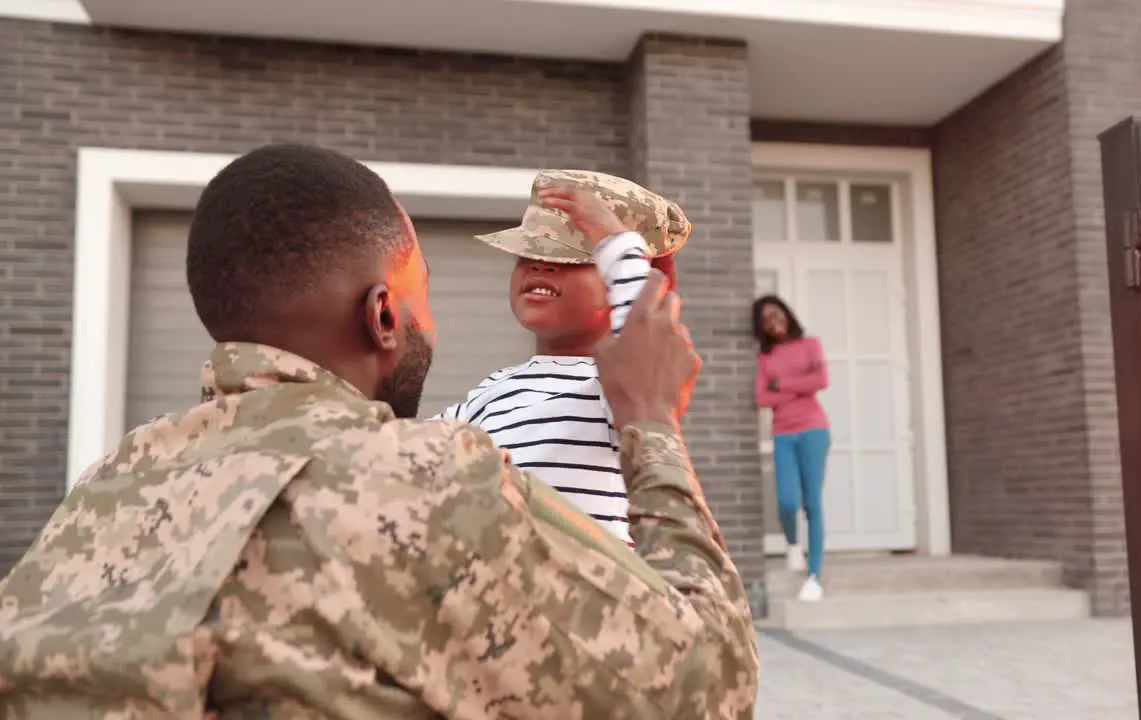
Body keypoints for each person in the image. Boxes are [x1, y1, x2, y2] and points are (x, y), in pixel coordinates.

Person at [0, 144, 759, 718]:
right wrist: (653, 424)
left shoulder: (107, 485)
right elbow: (714, 683)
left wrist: (624, 259)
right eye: (420, 285)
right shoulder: (430, 479)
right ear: (383, 315)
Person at [437, 170, 689, 547]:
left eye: (571, 257)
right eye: (529, 253)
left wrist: (616, 242)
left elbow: (642, 333)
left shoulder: (615, 387)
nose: (541, 265)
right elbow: (409, 452)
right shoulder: (492, 389)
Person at [753, 294, 831, 603]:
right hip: (784, 433)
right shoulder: (764, 358)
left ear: (787, 314)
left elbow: (821, 380)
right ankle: (792, 544)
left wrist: (781, 385)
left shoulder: (810, 344)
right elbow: (762, 399)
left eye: (777, 314)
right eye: (767, 321)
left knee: (812, 503)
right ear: (763, 328)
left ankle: (813, 577)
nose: (774, 322)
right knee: (787, 502)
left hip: (814, 430)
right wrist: (800, 383)